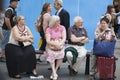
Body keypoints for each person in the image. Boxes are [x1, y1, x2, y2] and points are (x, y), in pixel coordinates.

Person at [44, 15, 66, 80]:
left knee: (61, 53)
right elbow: (48, 40)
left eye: (59, 21)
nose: (59, 22)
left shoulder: (62, 27)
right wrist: (55, 44)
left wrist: (60, 44)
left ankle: (54, 71)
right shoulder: (49, 29)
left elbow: (64, 38)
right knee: (51, 53)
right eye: (57, 21)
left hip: (60, 44)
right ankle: (54, 72)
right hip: (51, 45)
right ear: (53, 22)